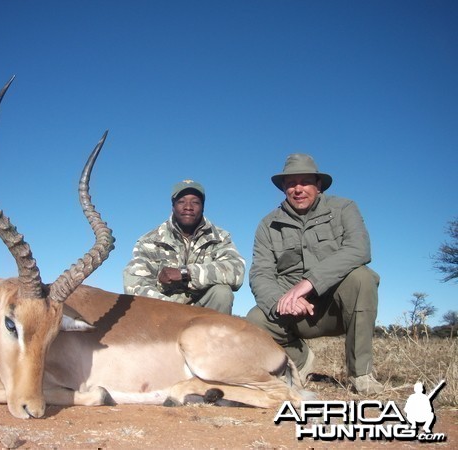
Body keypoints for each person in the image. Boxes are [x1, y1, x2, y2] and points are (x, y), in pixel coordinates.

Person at [246, 154, 383, 395]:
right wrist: (283, 300)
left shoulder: (344, 208)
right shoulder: (267, 225)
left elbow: (359, 249)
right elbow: (260, 274)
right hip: (295, 313)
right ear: (283, 188)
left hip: (337, 309)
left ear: (318, 185)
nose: (298, 189)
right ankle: (300, 361)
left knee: (362, 277)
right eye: (291, 183)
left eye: (305, 181)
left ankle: (361, 374)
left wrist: (309, 283)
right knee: (256, 319)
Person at [123, 180, 245, 314]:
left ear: (203, 207)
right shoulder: (150, 240)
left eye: (195, 202)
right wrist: (175, 311)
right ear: (173, 206)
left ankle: (216, 334)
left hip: (202, 310)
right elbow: (134, 285)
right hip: (164, 312)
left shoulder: (220, 237)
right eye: (181, 201)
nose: (188, 207)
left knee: (222, 293)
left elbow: (236, 270)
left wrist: (186, 273)